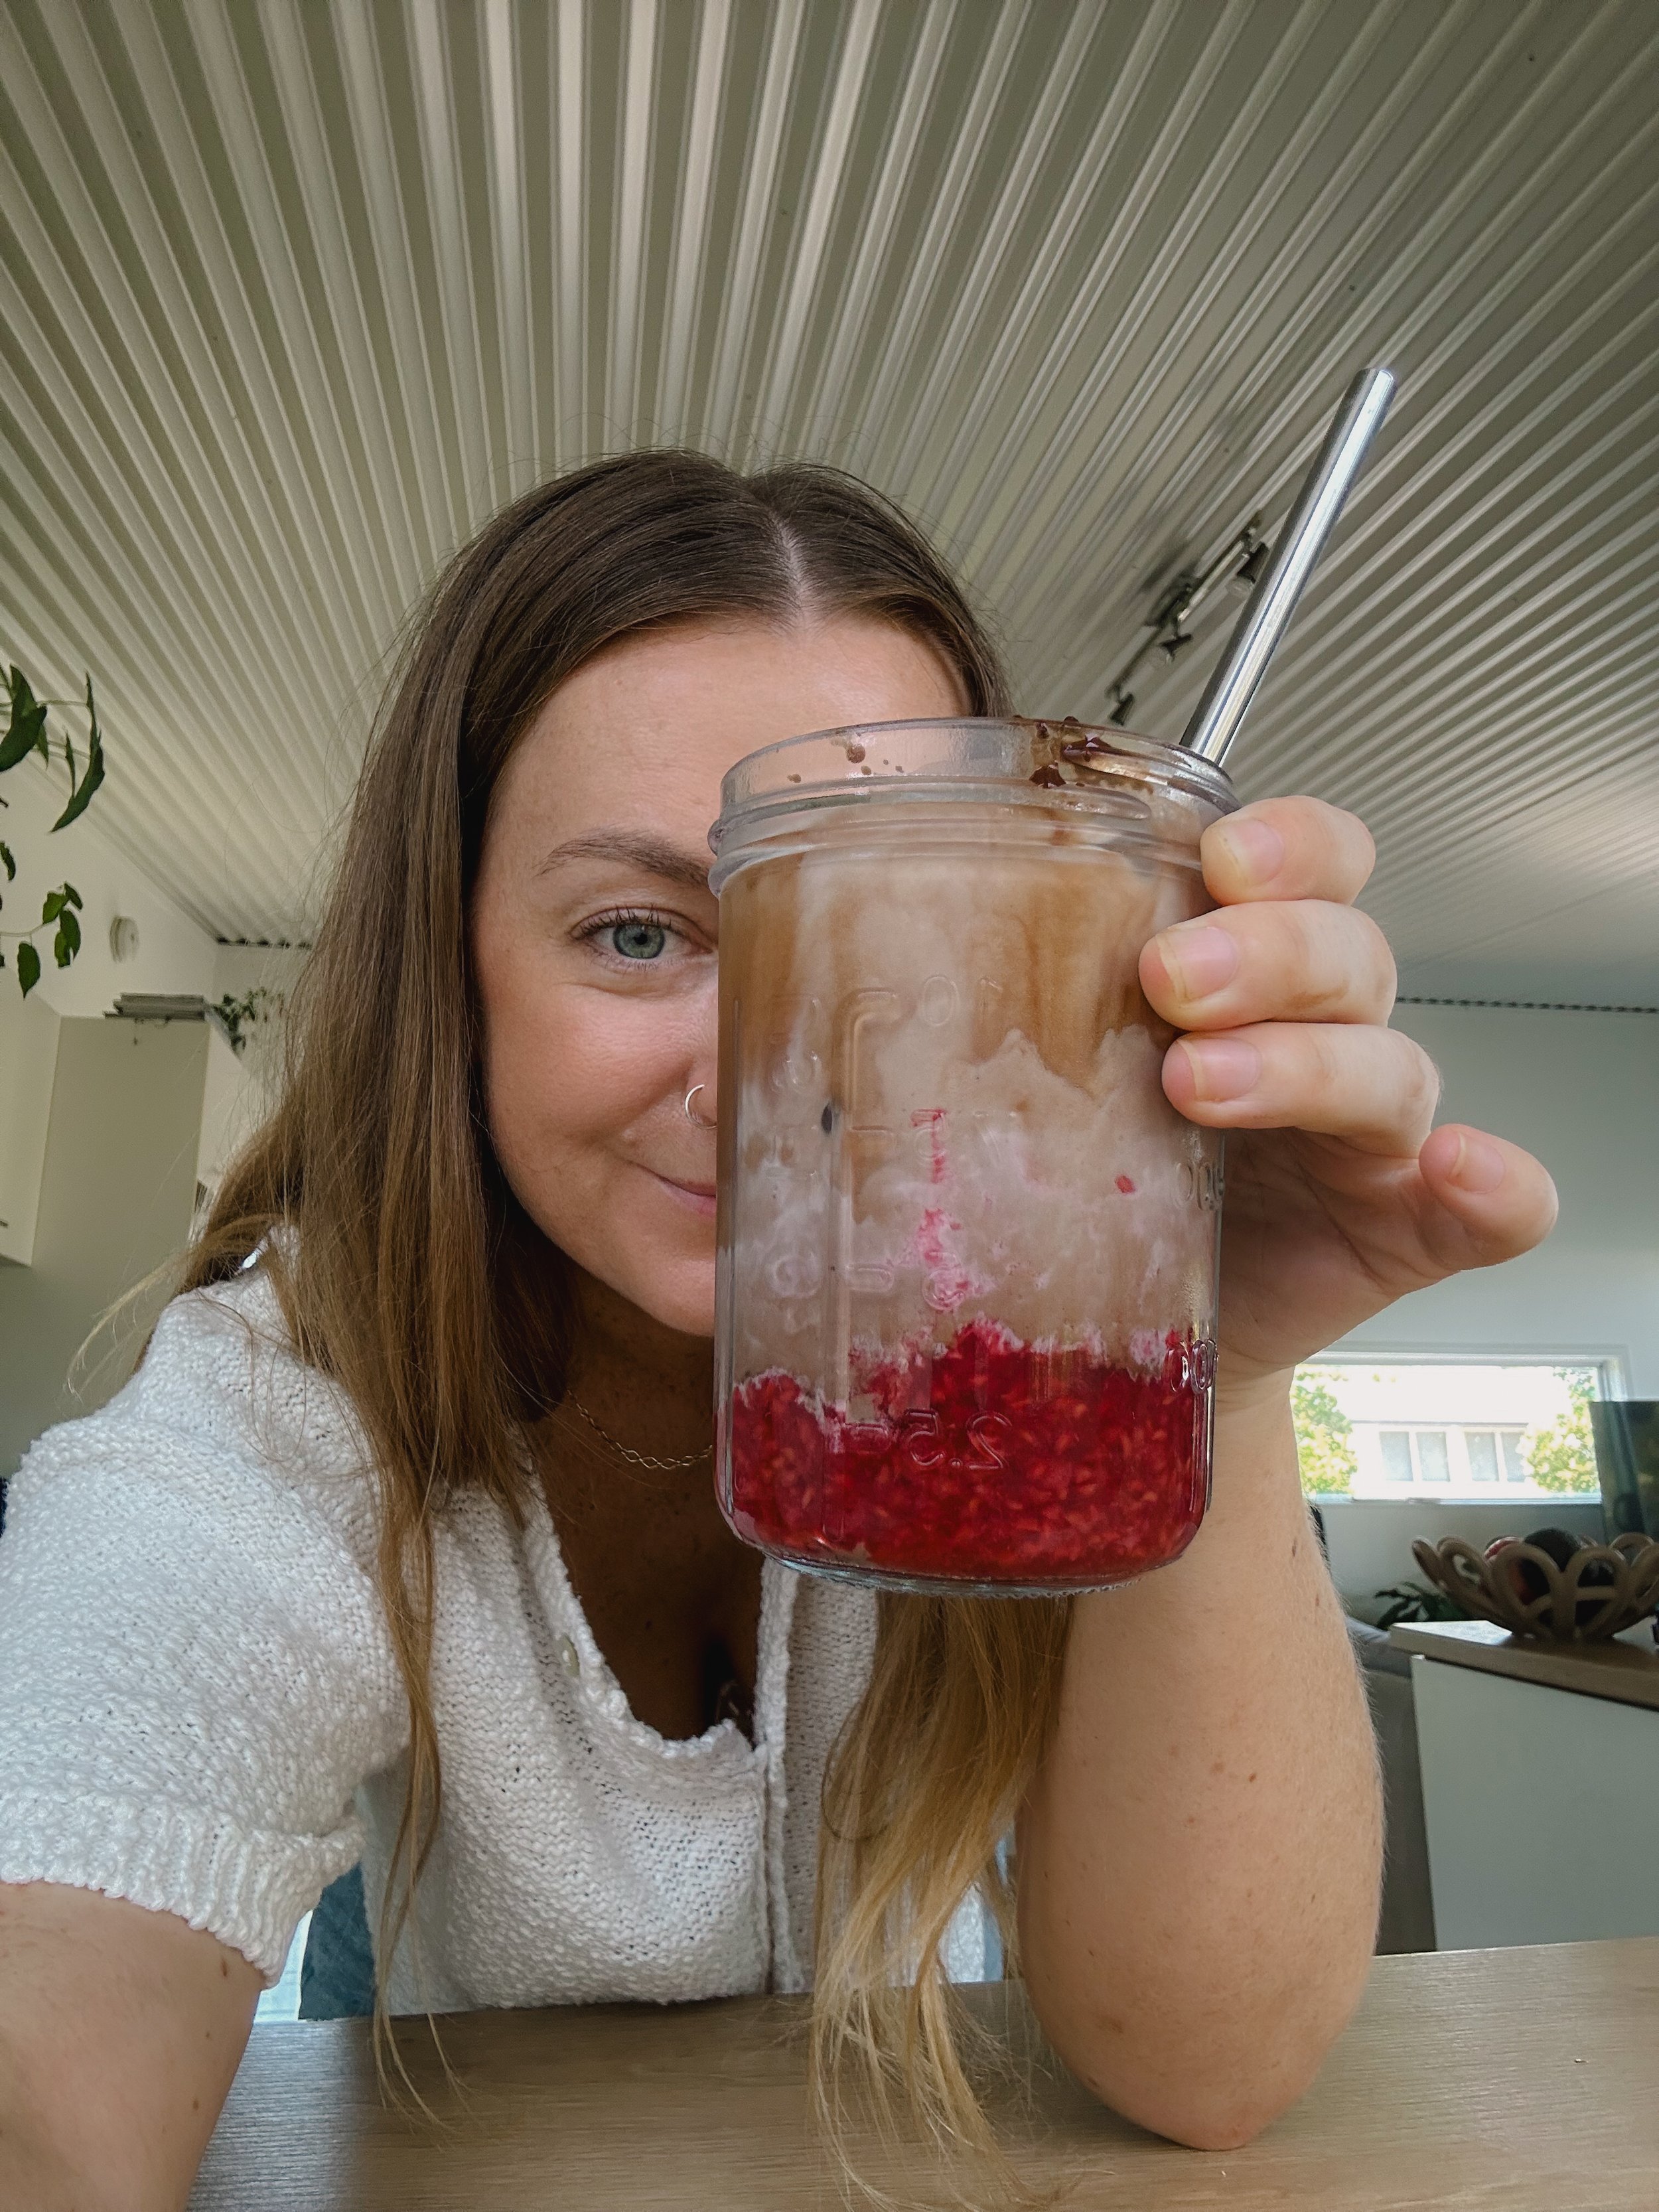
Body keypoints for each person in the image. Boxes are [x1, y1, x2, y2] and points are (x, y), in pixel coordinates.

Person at [0, 451, 1555, 2210]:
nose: (778, 1079)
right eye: (640, 931)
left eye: (883, 941)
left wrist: (1231, 1353)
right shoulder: (282, 1417)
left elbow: (1204, 2072)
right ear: (458, 981)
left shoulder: (1015, 1390)